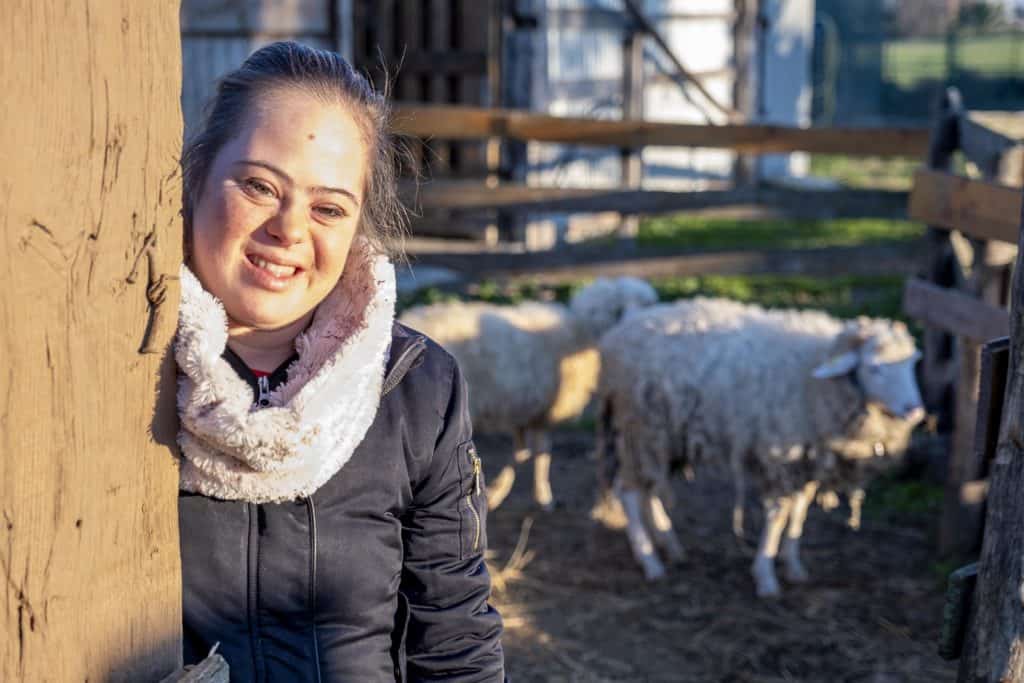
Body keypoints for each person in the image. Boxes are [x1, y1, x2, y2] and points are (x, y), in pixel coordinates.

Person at [175, 41, 504, 682]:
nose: (290, 229)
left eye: (328, 208)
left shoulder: (415, 389)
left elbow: (454, 637)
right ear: (197, 175)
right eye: (259, 186)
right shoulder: (119, 375)